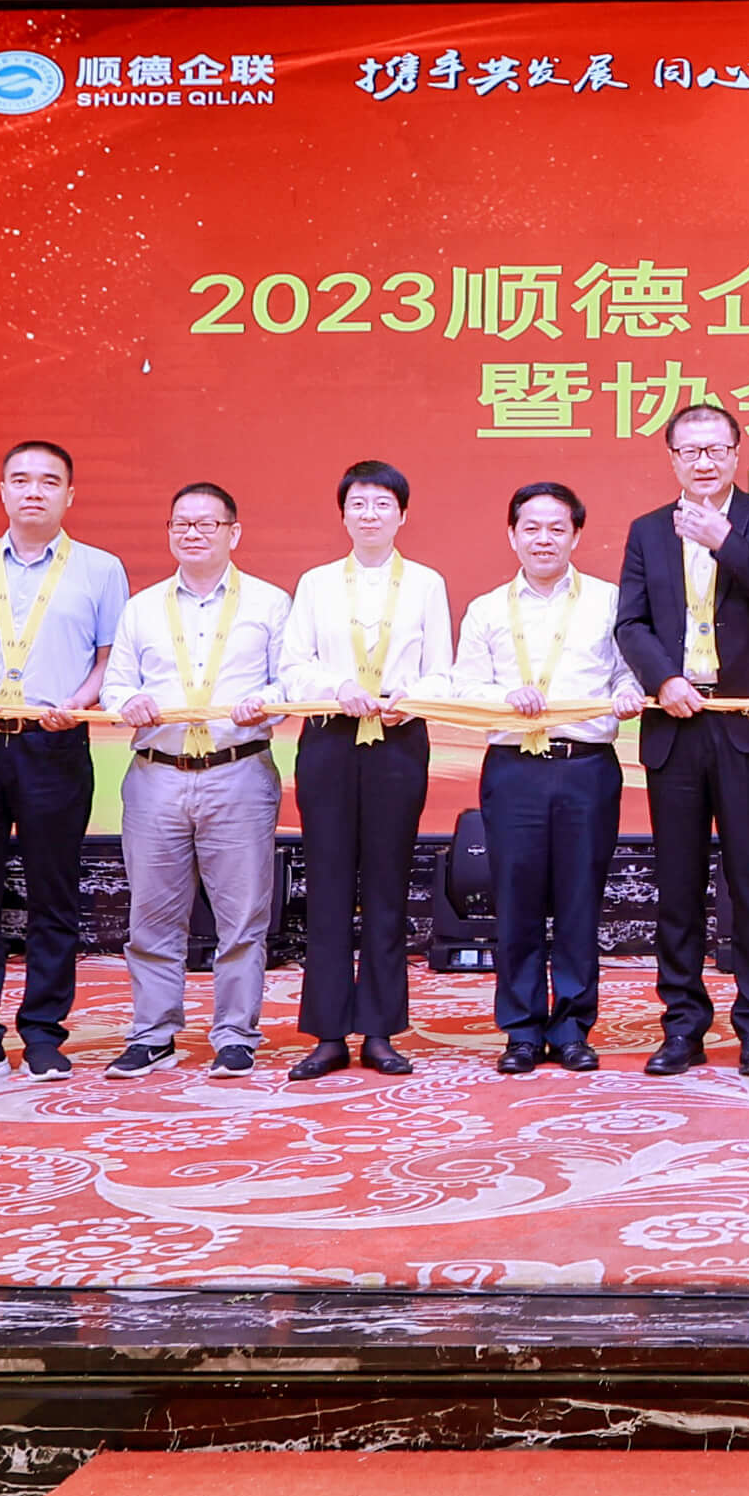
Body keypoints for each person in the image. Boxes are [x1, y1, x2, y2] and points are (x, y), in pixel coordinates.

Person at [610, 403, 749, 1077]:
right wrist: (662, 680)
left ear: (735, 454)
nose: (703, 462)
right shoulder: (647, 531)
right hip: (676, 723)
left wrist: (727, 541)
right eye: (690, 451)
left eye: (715, 449)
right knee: (678, 882)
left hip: (746, 723)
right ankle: (683, 1025)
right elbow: (631, 623)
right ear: (672, 458)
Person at [0, 441, 126, 1086]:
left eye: (49, 481)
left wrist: (79, 703)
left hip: (53, 745)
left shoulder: (101, 569)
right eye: (21, 479)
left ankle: (43, 1034)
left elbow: (110, 662)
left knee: (53, 896)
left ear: (70, 495)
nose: (33, 491)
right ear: (2, 490)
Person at [430, 483, 641, 1075]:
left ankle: (572, 1028)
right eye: (531, 528)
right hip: (514, 770)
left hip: (585, 768)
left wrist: (630, 692)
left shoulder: (608, 602)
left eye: (556, 529)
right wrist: (505, 697)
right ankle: (521, 1031)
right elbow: (465, 687)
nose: (543, 539)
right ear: (512, 535)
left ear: (576, 536)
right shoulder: (487, 609)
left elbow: (628, 674)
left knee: (579, 901)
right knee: (516, 902)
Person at [102, 482, 290, 1077]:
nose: (193, 533)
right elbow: (115, 685)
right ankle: (153, 1033)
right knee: (151, 917)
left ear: (234, 533)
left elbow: (289, 680)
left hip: (239, 772)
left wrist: (266, 702)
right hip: (157, 774)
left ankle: (235, 1033)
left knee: (242, 918)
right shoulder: (142, 607)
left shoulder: (270, 603)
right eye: (181, 523)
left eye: (208, 523)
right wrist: (128, 702)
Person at [273, 460, 446, 1081]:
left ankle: (379, 1030)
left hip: (398, 742)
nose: (370, 515)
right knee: (326, 885)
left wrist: (410, 698)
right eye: (358, 504)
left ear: (403, 515)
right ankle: (327, 1034)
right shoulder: (317, 583)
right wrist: (337, 686)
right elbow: (293, 667)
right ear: (342, 514)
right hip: (330, 739)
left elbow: (441, 671)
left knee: (386, 886)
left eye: (382, 504)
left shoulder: (425, 583)